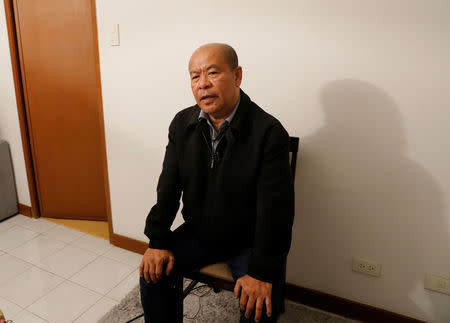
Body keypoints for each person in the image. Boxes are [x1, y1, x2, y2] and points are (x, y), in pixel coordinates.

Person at [139, 43, 295, 323]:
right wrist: (158, 238)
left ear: (237, 76)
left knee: (258, 306)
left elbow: (277, 213)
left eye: (212, 73)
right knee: (153, 273)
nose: (203, 84)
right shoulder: (182, 124)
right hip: (201, 233)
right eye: (195, 76)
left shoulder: (269, 133)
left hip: (250, 241)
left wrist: (260, 272)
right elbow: (168, 187)